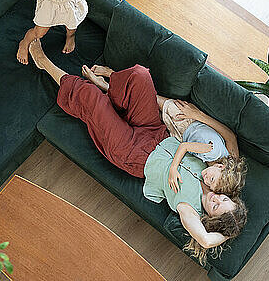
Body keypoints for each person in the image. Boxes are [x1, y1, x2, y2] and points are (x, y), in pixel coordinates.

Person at [27, 40, 247, 264]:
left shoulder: (189, 209)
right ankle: (111, 89)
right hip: (156, 131)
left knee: (90, 97)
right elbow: (231, 139)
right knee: (140, 75)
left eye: (216, 206)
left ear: (210, 219)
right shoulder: (220, 177)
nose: (216, 197)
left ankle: (45, 64)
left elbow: (206, 241)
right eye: (224, 199)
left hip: (132, 153)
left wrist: (228, 231)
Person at [156, 96, 246, 197]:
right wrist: (173, 168)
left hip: (181, 133)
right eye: (211, 179)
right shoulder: (213, 153)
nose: (206, 181)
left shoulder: (224, 162)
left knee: (148, 111)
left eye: (210, 185)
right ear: (220, 167)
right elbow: (184, 146)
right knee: (152, 99)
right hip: (185, 121)